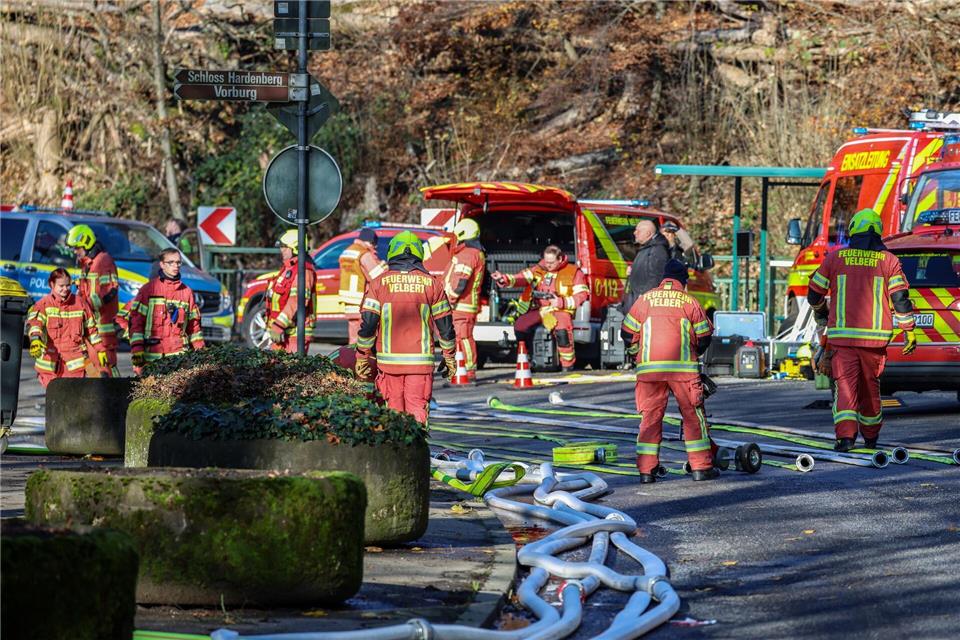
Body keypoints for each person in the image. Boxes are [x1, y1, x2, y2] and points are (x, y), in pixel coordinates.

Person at [807, 208, 916, 452]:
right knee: (870, 389)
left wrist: (821, 312)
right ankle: (870, 438)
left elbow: (814, 293)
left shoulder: (835, 259)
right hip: (874, 344)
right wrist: (909, 330)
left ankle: (845, 439)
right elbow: (900, 298)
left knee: (845, 388)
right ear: (878, 233)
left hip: (842, 341)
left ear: (853, 230)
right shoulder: (888, 261)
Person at [621, 259, 717, 483]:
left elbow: (627, 334)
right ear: (683, 282)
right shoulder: (689, 301)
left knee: (650, 419)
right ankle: (701, 468)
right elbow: (704, 336)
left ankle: (647, 471)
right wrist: (694, 353)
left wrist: (637, 353)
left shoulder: (644, 300)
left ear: (663, 279)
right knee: (693, 417)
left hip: (649, 373)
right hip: (683, 372)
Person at [355, 231, 457, 424]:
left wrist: (362, 356)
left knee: (392, 415)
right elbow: (445, 325)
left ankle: (396, 453)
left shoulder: (378, 284)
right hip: (420, 365)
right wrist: (449, 356)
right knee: (417, 411)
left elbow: (368, 325)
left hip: (388, 365)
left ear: (393, 252)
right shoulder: (433, 285)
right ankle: (416, 451)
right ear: (418, 253)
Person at [491, 245, 589, 371]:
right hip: (540, 309)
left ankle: (567, 365)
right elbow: (521, 278)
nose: (548, 265)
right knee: (520, 326)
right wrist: (503, 278)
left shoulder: (573, 272)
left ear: (560, 259)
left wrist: (560, 302)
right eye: (546, 261)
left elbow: (582, 295)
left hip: (560, 310)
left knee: (562, 330)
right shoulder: (539, 269)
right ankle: (528, 359)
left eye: (551, 262)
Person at [26, 268, 108, 388]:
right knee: (54, 401)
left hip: (75, 367)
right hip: (49, 367)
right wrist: (35, 340)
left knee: (72, 401)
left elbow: (91, 330)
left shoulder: (80, 304)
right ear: (51, 284)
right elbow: (35, 324)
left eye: (68, 285)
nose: (65, 289)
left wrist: (100, 349)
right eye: (61, 286)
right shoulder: (43, 304)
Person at [128, 248, 204, 374]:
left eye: (178, 263)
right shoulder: (148, 290)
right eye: (171, 262)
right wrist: (137, 359)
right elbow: (135, 327)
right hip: (151, 363)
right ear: (162, 264)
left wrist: (201, 357)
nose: (176, 266)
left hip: (179, 362)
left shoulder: (187, 293)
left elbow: (194, 330)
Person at [65, 224, 119, 377]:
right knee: (92, 368)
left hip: (103, 329)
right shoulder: (88, 264)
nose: (75, 252)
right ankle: (100, 399)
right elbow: (87, 291)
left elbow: (107, 294)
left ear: (86, 243)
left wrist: (80, 307)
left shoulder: (103, 262)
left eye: (77, 248)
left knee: (105, 369)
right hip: (92, 327)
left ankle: (116, 399)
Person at [443, 218, 486, 380]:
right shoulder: (470, 253)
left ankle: (469, 369)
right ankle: (461, 368)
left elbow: (460, 281)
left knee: (464, 337)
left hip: (462, 305)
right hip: (461, 304)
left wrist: (450, 300)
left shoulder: (468, 254)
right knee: (459, 337)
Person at [266, 229, 316, 353]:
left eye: (285, 247)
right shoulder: (288, 268)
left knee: (292, 370)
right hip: (281, 333)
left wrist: (279, 325)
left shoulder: (303, 271)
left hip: (295, 334)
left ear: (295, 248)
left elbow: (297, 301)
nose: (281, 250)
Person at [339, 227, 387, 344]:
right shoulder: (364, 254)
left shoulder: (347, 252)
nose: (374, 247)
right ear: (370, 242)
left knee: (354, 333)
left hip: (349, 299)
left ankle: (351, 358)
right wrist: (384, 266)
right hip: (361, 299)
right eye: (374, 244)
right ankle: (362, 359)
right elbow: (377, 276)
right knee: (364, 334)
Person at [620, 220, 670, 314]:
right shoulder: (647, 248)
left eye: (638, 231)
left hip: (643, 306)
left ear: (648, 233)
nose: (635, 233)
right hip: (635, 303)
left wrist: (644, 298)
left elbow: (656, 278)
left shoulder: (658, 250)